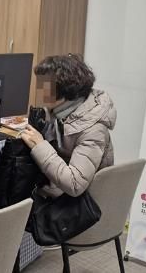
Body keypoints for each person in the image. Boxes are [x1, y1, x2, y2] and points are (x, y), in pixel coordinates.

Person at [20, 54, 116, 198]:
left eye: (45, 86)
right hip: (57, 192)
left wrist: (40, 146)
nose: (40, 91)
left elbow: (74, 184)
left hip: (77, 203)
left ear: (66, 90)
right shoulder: (58, 112)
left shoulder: (93, 130)